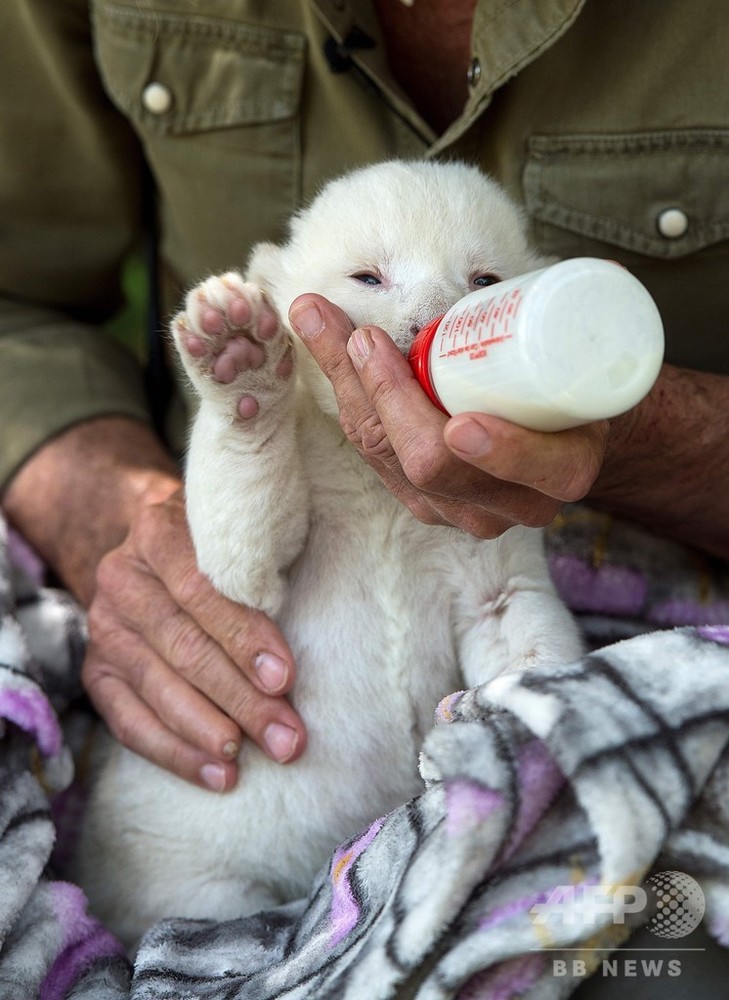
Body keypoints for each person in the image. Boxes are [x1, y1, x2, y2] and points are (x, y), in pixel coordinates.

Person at [1, 0, 727, 802]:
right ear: (277, 291)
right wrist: (245, 429)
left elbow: (510, 618)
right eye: (368, 281)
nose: (430, 315)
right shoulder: (297, 416)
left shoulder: (508, 486)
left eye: (484, 283)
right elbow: (240, 574)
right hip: (219, 838)